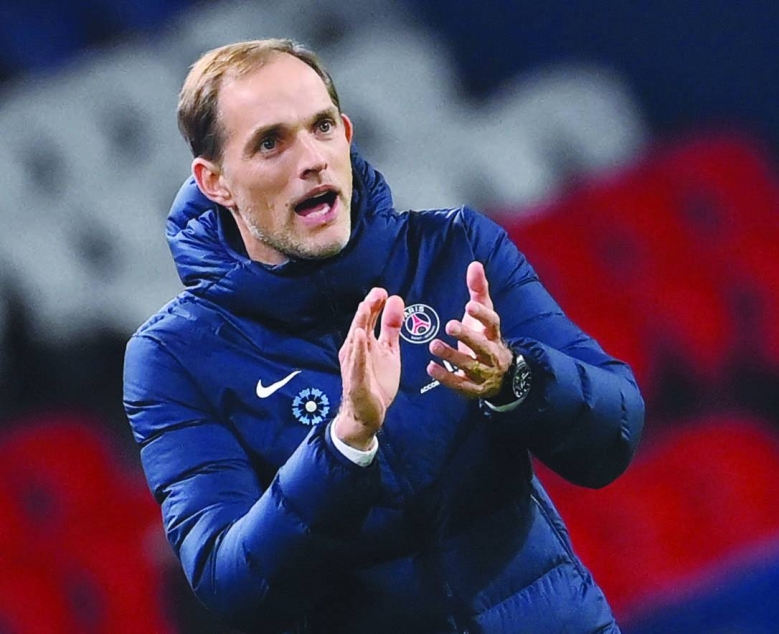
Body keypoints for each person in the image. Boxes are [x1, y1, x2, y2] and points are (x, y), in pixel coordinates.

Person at [123, 38, 645, 634]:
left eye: (321, 127)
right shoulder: (174, 357)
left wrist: (516, 379)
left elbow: (616, 434)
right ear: (215, 182)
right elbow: (232, 584)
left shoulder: (457, 251)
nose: (311, 159)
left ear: (346, 133)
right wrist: (344, 444)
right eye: (270, 142)